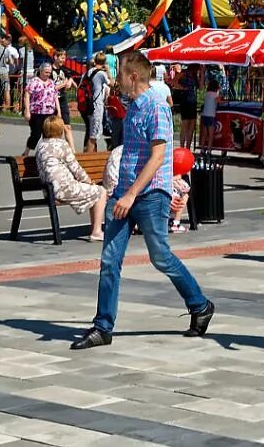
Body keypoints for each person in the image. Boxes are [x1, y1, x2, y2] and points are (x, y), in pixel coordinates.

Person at [71, 50, 215, 351]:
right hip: (124, 194)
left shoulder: (157, 108)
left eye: (119, 73)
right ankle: (103, 326)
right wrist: (119, 190)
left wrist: (132, 193)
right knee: (110, 260)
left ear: (133, 76)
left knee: (160, 257)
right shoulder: (133, 105)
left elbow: (158, 157)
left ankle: (200, 305)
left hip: (149, 195)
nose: (115, 79)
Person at [35, 116, 107, 241]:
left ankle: (95, 229)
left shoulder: (41, 146)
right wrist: (90, 182)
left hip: (49, 190)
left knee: (94, 191)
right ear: (60, 130)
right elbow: (76, 169)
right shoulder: (61, 145)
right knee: (101, 192)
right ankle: (96, 231)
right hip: (64, 189)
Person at [23, 61, 65, 154]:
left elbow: (55, 97)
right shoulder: (34, 81)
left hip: (49, 112)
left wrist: (59, 111)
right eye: (46, 72)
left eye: (49, 72)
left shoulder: (51, 82)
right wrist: (27, 111)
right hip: (36, 112)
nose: (47, 74)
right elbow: (27, 96)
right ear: (40, 71)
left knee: (49, 135)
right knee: (36, 134)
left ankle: (45, 153)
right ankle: (26, 152)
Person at [81, 53, 112, 153]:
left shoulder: (89, 71)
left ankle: (89, 154)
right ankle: (88, 158)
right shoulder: (101, 74)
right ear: (104, 62)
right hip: (97, 105)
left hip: (89, 104)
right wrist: (108, 71)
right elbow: (112, 84)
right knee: (94, 135)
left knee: (91, 132)